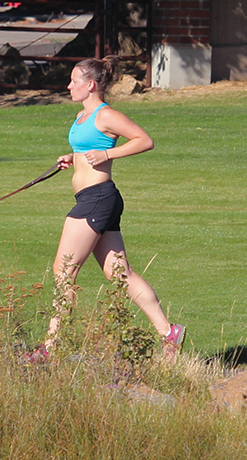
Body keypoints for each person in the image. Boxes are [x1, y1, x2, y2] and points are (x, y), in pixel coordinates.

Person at [34, 57, 183, 361]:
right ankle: (169, 333)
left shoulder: (106, 115)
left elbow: (144, 140)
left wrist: (107, 153)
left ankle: (50, 348)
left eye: (74, 81)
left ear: (91, 85)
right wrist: (72, 158)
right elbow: (85, 151)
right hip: (95, 198)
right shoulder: (81, 116)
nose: (69, 86)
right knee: (120, 273)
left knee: (64, 271)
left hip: (97, 199)